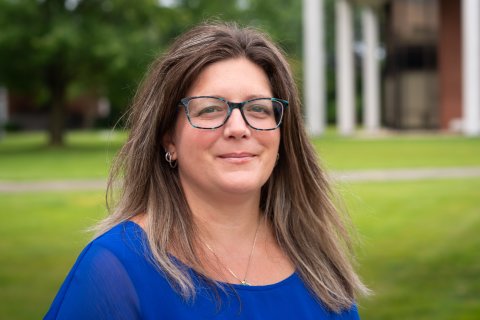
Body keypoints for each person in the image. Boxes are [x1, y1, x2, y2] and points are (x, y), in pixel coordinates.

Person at [45, 22, 369, 319]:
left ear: (283, 133)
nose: (239, 128)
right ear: (168, 137)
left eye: (258, 108)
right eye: (211, 109)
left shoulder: (319, 267)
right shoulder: (115, 271)